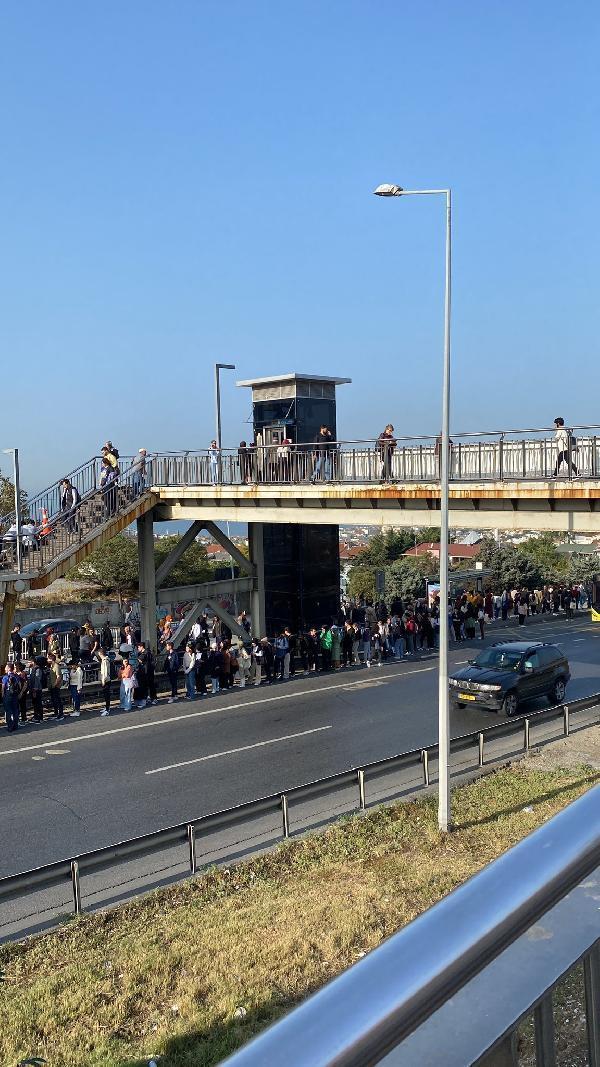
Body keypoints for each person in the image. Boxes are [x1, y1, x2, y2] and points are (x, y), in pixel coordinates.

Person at [2, 663, 20, 732]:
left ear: (9, 668)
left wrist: (3, 696)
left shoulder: (5, 677)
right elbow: (20, 686)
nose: (5, 669)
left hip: (8, 695)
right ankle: (15, 725)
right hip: (15, 695)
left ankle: (10, 726)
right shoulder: (16, 676)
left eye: (6, 667)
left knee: (8, 711)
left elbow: (3, 688)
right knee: (15, 710)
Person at [47, 654, 64, 720]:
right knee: (54, 700)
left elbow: (59, 677)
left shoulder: (56, 666)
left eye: (48, 659)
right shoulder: (51, 666)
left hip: (56, 686)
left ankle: (61, 714)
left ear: (51, 659)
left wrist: (55, 684)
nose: (47, 660)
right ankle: (56, 713)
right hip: (52, 686)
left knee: (58, 700)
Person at [98, 649, 112, 715]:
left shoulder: (105, 661)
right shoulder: (105, 660)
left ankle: (107, 709)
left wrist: (103, 681)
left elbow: (105, 672)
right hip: (106, 679)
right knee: (106, 695)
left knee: (107, 695)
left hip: (106, 680)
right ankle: (107, 707)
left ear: (100, 653)